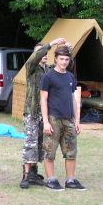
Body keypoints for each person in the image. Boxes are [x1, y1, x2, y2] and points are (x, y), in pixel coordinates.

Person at [19, 37, 67, 189]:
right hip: (32, 112)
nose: (44, 54)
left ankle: (33, 174)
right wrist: (51, 44)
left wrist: (68, 50)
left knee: (41, 145)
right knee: (30, 143)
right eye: (40, 52)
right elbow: (34, 57)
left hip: (45, 114)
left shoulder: (49, 70)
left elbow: (65, 65)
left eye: (46, 53)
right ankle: (25, 176)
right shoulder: (31, 68)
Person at [40, 46, 85, 191]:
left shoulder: (70, 77)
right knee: (50, 151)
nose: (64, 62)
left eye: (66, 59)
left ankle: (70, 180)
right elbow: (43, 99)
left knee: (71, 151)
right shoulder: (48, 77)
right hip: (53, 118)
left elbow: (73, 99)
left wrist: (77, 120)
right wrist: (46, 122)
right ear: (56, 59)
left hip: (69, 119)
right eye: (61, 59)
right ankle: (51, 180)